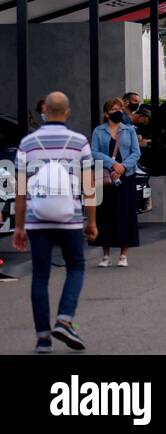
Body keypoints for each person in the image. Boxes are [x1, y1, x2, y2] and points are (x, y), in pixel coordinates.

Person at [14, 92, 96, 353]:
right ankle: (64, 319)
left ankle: (42, 338)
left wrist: (18, 226)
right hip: (69, 217)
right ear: (67, 112)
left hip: (37, 220)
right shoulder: (79, 142)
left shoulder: (27, 143)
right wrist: (91, 220)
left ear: (44, 112)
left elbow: (20, 190)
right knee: (76, 266)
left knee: (40, 275)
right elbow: (89, 186)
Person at [90, 98, 140, 267]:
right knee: (104, 214)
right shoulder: (98, 131)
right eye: (114, 108)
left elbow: (136, 152)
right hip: (105, 176)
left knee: (124, 213)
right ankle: (105, 254)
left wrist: (123, 167)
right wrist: (112, 164)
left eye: (120, 108)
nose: (118, 110)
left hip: (125, 177)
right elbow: (94, 152)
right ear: (106, 113)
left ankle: (123, 253)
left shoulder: (129, 130)